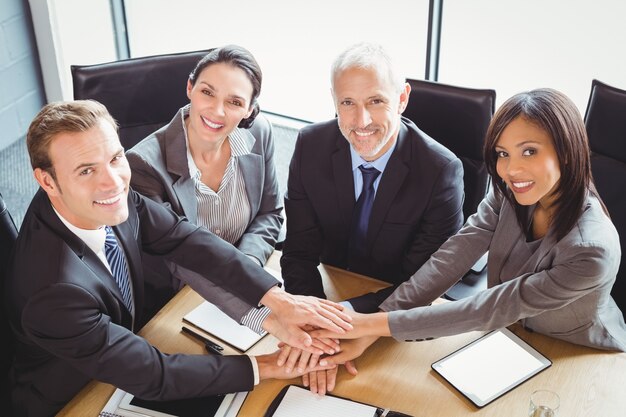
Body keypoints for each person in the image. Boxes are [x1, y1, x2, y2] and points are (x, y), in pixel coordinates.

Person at [3, 100, 349, 417]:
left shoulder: (102, 198)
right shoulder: (52, 292)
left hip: (123, 348)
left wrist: (277, 301)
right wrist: (271, 365)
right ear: (46, 181)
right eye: (86, 171)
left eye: (114, 158)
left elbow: (183, 239)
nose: (113, 182)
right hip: (70, 399)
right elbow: (154, 375)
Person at [312, 88, 626, 376]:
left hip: (578, 355)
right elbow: (452, 257)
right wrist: (375, 326)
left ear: (567, 151)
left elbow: (494, 306)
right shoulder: (510, 192)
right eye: (503, 154)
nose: (511, 170)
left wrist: (370, 324)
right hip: (509, 334)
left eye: (529, 151)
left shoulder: (592, 249)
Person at [280, 42, 464, 314]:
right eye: (348, 103)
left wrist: (347, 317)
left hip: (392, 310)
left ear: (402, 99)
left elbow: (422, 284)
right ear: (334, 101)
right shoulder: (311, 146)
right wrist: (314, 318)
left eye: (376, 101)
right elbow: (297, 254)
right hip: (331, 289)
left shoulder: (440, 171)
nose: (361, 120)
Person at [126, 45, 282, 320]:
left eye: (234, 102)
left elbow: (269, 213)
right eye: (207, 92)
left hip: (248, 279)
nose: (217, 111)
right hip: (183, 294)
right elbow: (176, 254)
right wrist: (243, 282)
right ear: (190, 88)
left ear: (249, 110)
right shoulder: (143, 165)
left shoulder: (260, 134)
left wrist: (247, 267)